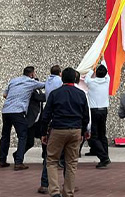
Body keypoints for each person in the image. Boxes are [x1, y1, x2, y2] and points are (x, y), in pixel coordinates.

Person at [40, 68, 91, 197]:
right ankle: (68, 192)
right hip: (75, 130)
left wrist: (43, 133)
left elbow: (46, 115)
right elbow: (86, 115)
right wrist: (84, 131)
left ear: (62, 78)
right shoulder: (81, 94)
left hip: (58, 129)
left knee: (51, 160)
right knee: (71, 162)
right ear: (75, 78)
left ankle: (55, 191)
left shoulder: (55, 93)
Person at [0, 66, 46, 170]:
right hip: (18, 111)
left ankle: (2, 160)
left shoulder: (13, 81)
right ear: (32, 74)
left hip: (6, 111)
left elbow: (4, 94)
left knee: (5, 136)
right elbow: (45, 85)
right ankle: (18, 162)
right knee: (23, 136)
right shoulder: (31, 82)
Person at [39, 65, 64, 193]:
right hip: (59, 119)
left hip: (51, 120)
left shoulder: (48, 80)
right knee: (66, 158)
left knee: (49, 156)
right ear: (60, 73)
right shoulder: (59, 83)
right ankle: (67, 184)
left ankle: (44, 183)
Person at [85, 64, 111, 168]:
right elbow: (107, 71)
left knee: (94, 136)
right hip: (104, 110)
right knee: (102, 134)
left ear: (96, 73)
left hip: (94, 110)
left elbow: (87, 77)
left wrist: (92, 68)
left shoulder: (91, 82)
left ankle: (104, 157)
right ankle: (105, 154)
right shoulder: (107, 80)